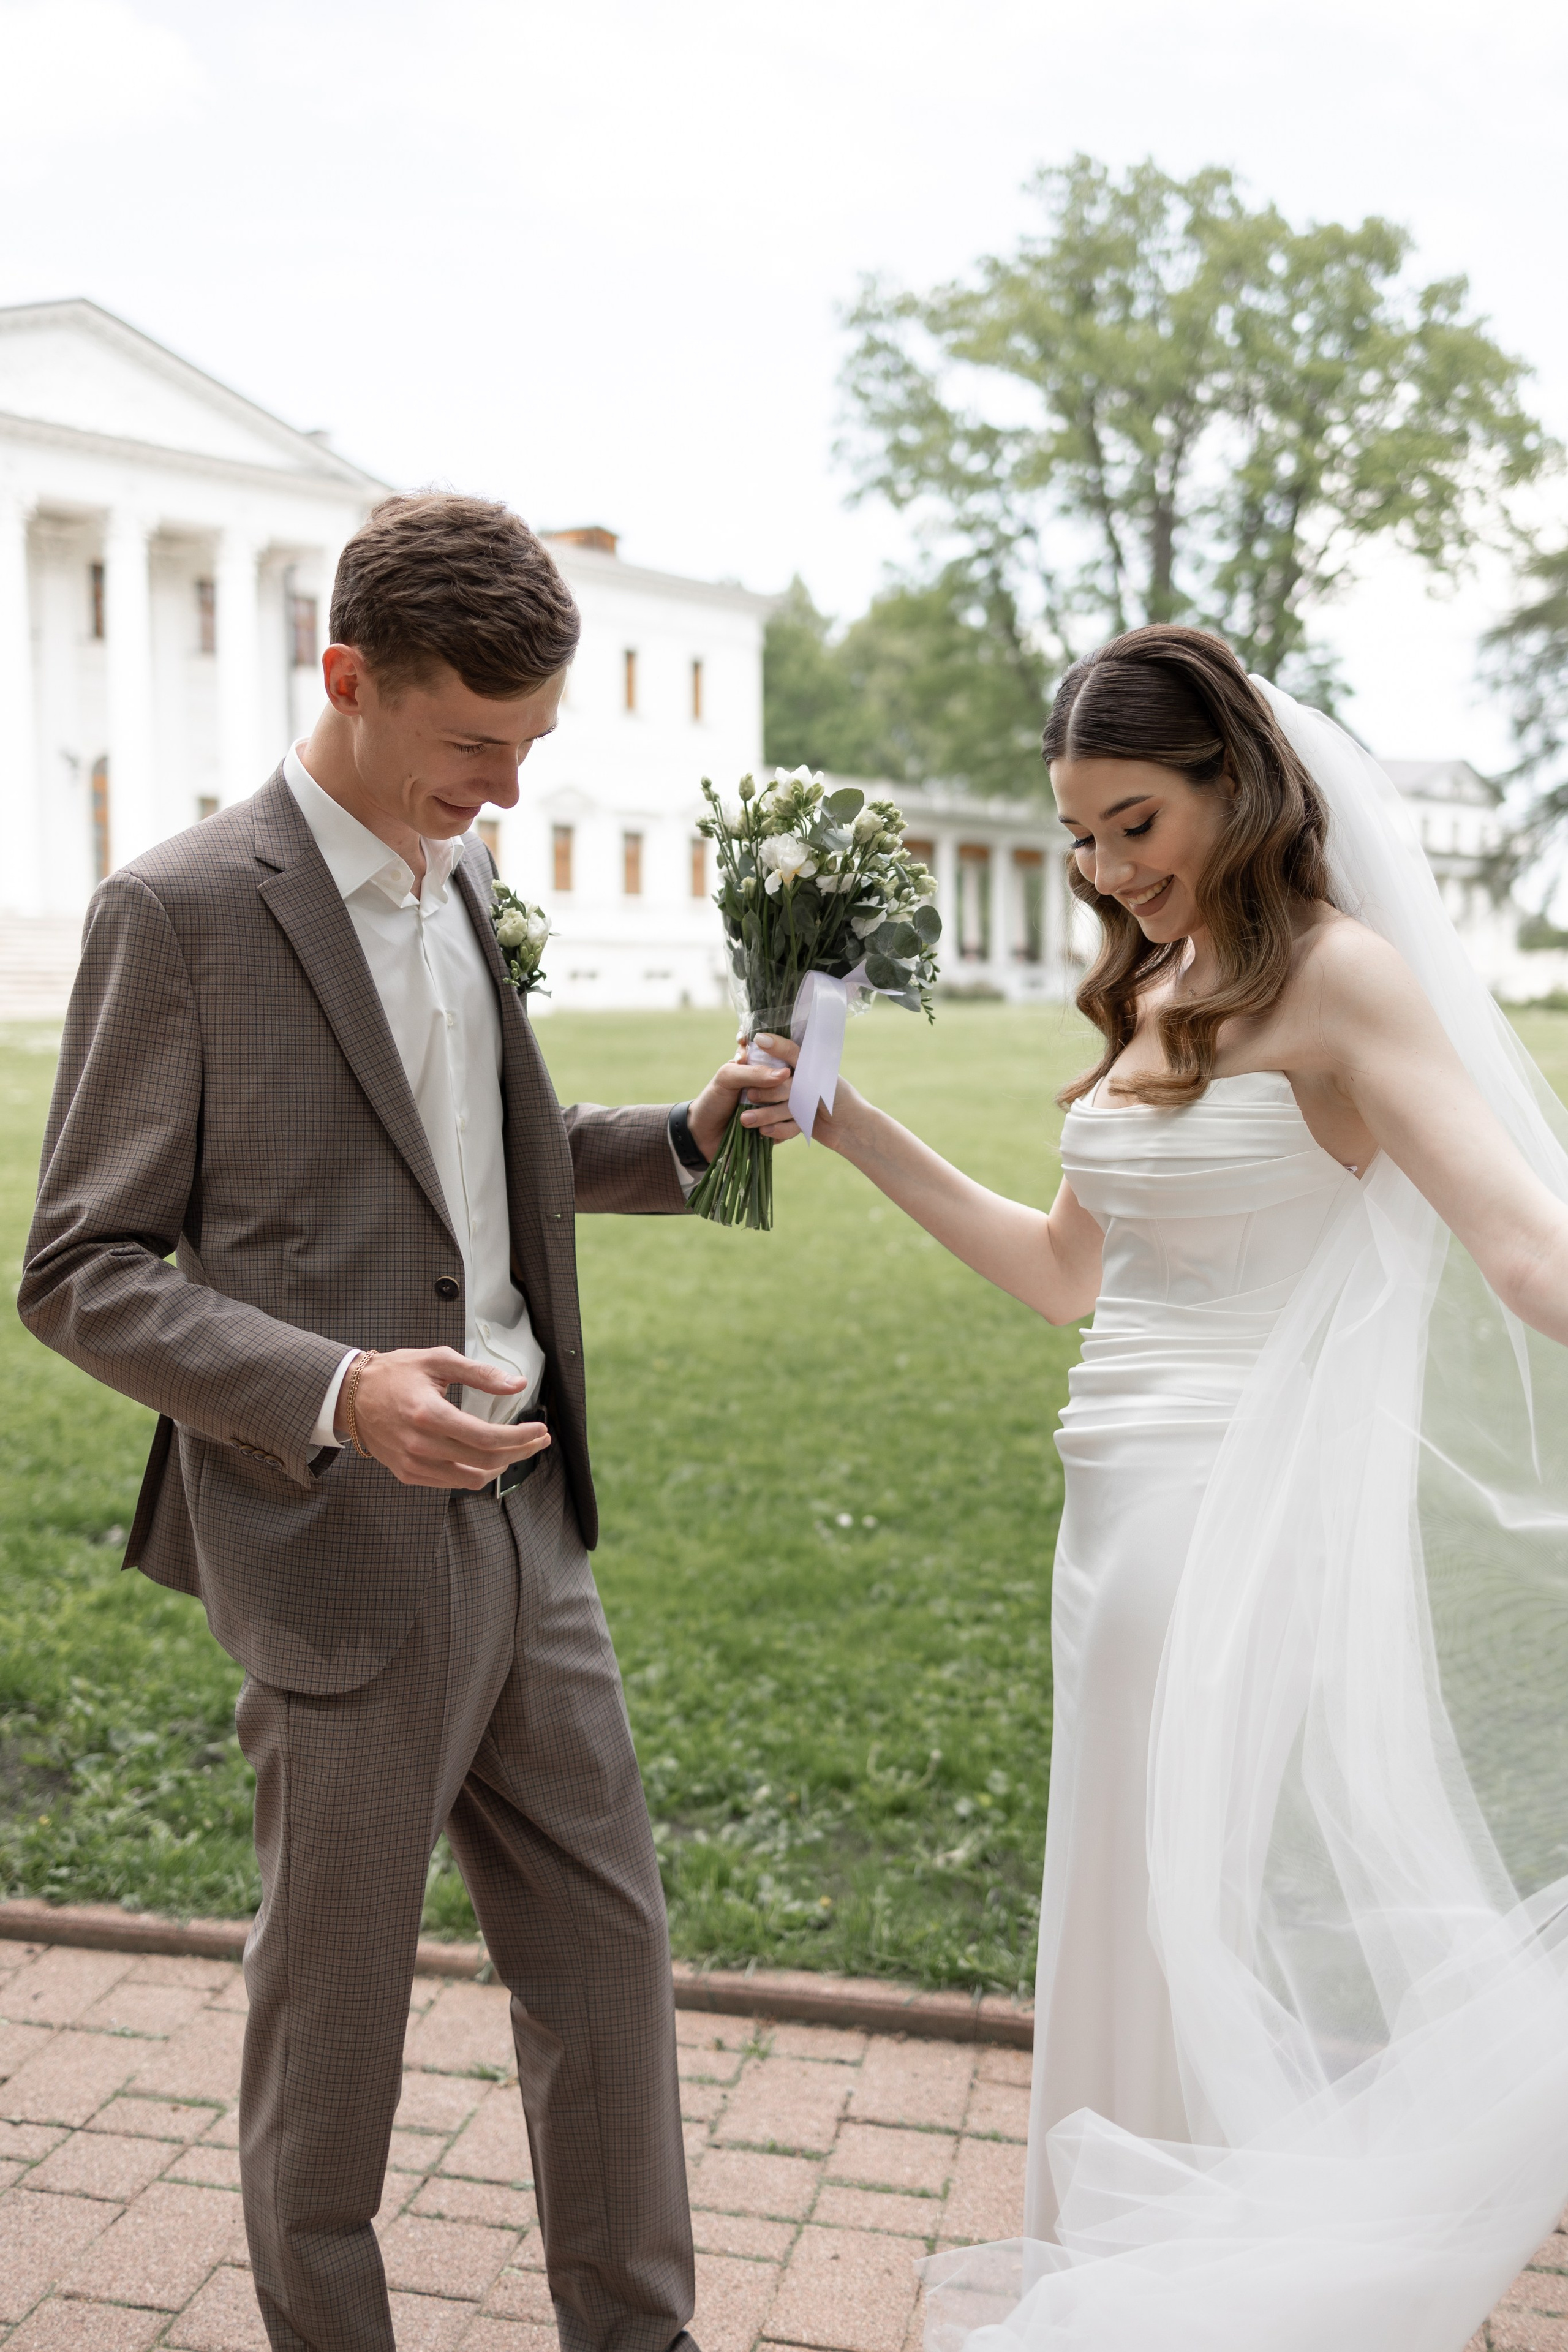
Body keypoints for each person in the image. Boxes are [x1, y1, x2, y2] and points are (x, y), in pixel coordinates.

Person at [18, 492, 797, 2352]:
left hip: (532, 1529)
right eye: (475, 743)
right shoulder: (180, 912)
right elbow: (80, 1271)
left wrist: (682, 1137)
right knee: (337, 2017)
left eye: (532, 747)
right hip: (337, 1548)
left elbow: (475, 1162)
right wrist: (337, 1392)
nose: (507, 789)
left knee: (607, 1964)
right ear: (346, 676)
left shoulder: (460, 879)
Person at [752, 626, 1568, 2351]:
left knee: (1183, 1899)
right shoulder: (1162, 975)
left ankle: (1177, 2300)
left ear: (1238, 784)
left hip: (1228, 1510)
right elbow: (1064, 1276)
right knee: (1127, 1890)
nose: (1114, 870)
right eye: (1084, 838)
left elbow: (1523, 1249)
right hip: (1112, 1504)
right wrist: (844, 1120)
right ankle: (1125, 2277)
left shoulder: (1341, 978)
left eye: (1139, 823)